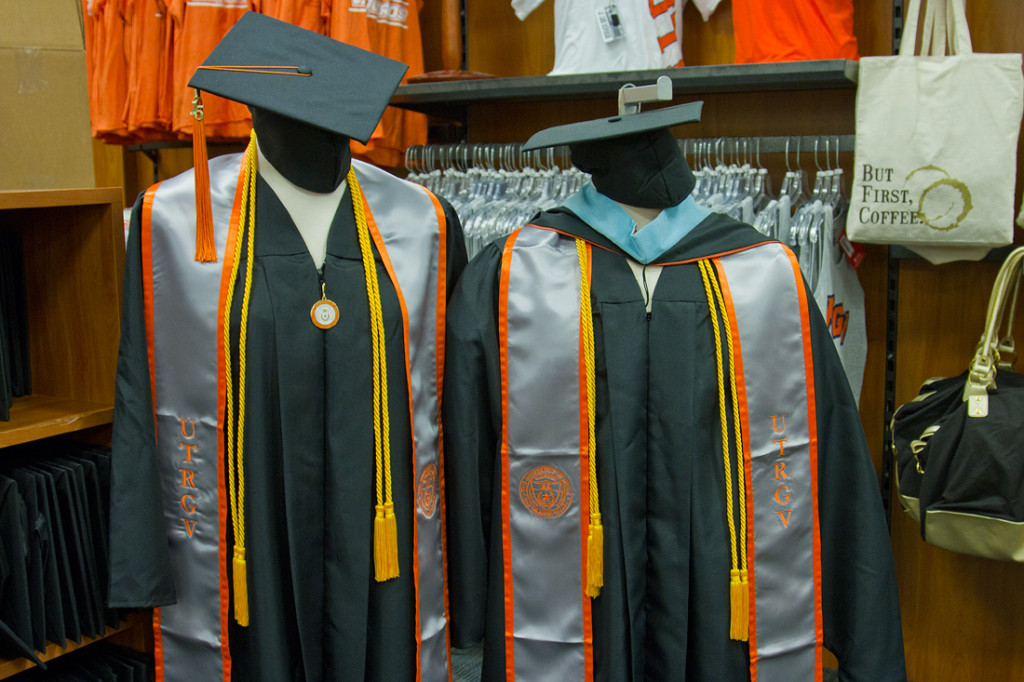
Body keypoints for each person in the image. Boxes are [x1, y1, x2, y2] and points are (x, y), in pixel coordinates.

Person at [442, 100, 907, 681]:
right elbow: (466, 447)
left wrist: (862, 634)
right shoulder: (514, 273)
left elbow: (828, 459)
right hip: (575, 585)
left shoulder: (763, 275)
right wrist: (468, 612)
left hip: (723, 592)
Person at [107, 13, 466, 681]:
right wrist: (137, 565)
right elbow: (139, 395)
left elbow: (453, 409)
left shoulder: (422, 222)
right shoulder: (173, 220)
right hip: (247, 529)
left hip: (380, 523)